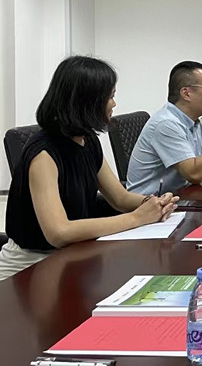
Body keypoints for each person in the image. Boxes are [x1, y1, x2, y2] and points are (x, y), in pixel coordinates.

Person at [0, 56, 178, 281]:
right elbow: (58, 232)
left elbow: (120, 198)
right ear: (87, 101)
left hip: (72, 254)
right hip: (31, 265)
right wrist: (136, 218)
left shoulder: (88, 140)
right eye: (110, 97)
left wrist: (151, 204)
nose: (114, 104)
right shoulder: (43, 154)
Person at [126, 61, 202, 195]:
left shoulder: (195, 121)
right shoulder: (166, 123)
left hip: (180, 196)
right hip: (149, 203)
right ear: (186, 93)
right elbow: (194, 174)